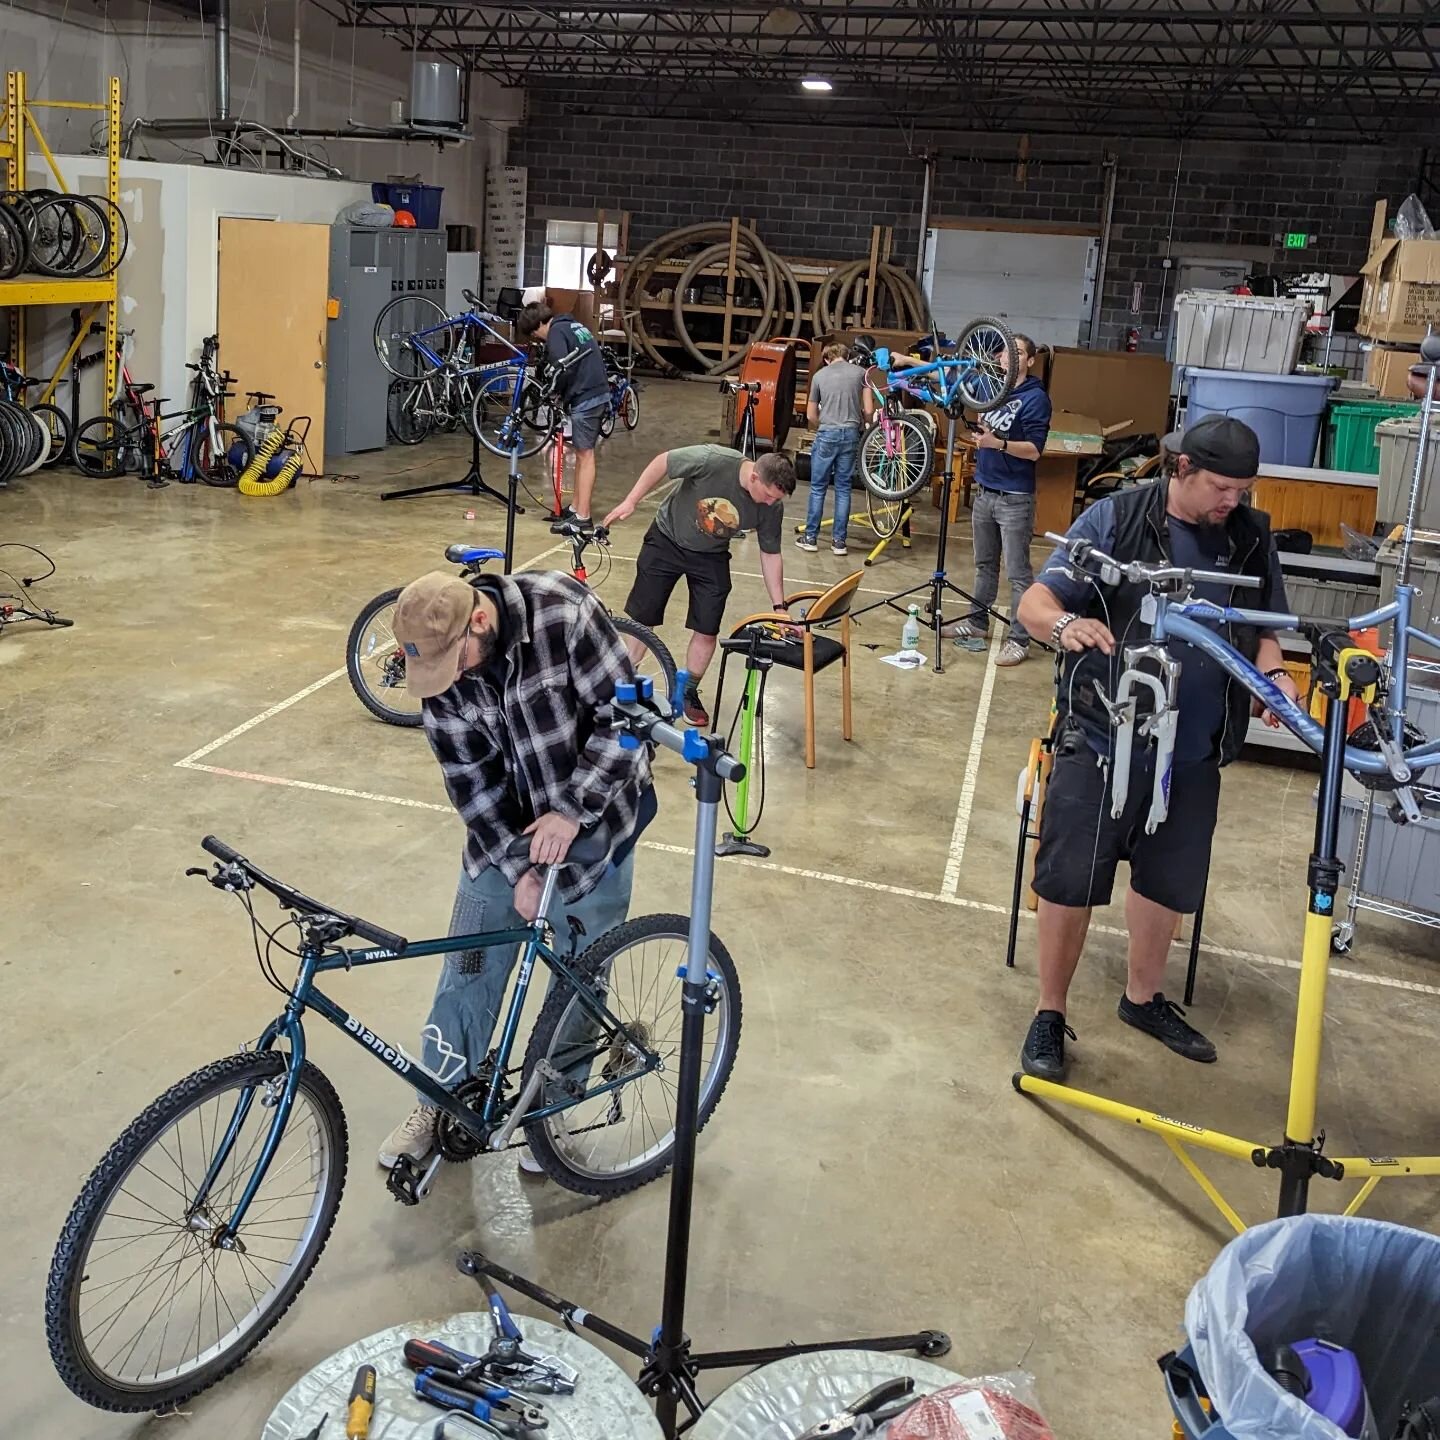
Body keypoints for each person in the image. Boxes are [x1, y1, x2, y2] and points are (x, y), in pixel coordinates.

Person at [1013, 415, 1301, 1082]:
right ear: (1181, 470)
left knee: (1167, 878)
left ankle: (1143, 998)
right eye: (1223, 488)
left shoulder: (1249, 539)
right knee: (1070, 877)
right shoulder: (1115, 520)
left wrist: (1276, 674)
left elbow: (1263, 631)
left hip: (1193, 747)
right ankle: (1049, 1012)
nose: (1234, 501)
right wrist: (1066, 622)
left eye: (1244, 489)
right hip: (1103, 736)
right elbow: (1034, 601)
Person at [377, 568, 654, 1176]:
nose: (452, 682)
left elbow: (627, 721)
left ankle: (549, 1113)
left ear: (479, 620)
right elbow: (470, 786)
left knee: (578, 978)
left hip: (598, 825)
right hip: (504, 837)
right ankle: (440, 1101)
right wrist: (516, 866)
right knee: (468, 963)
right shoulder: (442, 676)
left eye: (458, 663)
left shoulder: (563, 613)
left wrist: (571, 813)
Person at [604, 446, 796, 727]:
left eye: (775, 499)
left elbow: (770, 553)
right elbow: (663, 462)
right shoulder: (713, 460)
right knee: (644, 618)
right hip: (666, 539)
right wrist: (631, 500)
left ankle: (688, 691)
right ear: (754, 476)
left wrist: (779, 607)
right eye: (768, 495)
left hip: (711, 555)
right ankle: (623, 681)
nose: (769, 503)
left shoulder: (771, 506)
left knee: (707, 628)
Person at [948, 334, 1053, 668]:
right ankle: (977, 623)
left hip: (1015, 499)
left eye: (1018, 352)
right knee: (984, 565)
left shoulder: (1035, 399)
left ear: (1030, 360)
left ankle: (1019, 639)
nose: (1009, 357)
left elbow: (1035, 451)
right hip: (985, 492)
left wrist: (999, 445)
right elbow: (955, 376)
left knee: (1018, 574)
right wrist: (909, 363)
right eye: (1005, 352)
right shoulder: (989, 386)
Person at [517, 301, 610, 525]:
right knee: (581, 454)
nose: (538, 338)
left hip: (586, 396)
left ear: (539, 324)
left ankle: (583, 516)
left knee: (586, 456)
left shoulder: (556, 333)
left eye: (534, 333)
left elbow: (561, 369)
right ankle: (577, 507)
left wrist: (554, 393)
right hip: (596, 392)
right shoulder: (572, 325)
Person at [798, 343, 874, 557]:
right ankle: (839, 542)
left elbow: (811, 414)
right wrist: (865, 422)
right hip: (851, 434)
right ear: (847, 356)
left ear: (826, 359)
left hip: (827, 433)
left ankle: (811, 538)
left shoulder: (820, 376)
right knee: (843, 488)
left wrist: (824, 423)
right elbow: (868, 410)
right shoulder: (861, 373)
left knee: (818, 487)